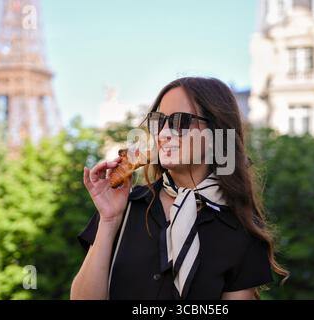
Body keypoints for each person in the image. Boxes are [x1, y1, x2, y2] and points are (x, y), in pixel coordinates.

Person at [70, 77, 288, 300]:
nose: (164, 134)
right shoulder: (125, 206)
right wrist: (109, 220)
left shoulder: (240, 225)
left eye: (181, 122)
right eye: (158, 122)